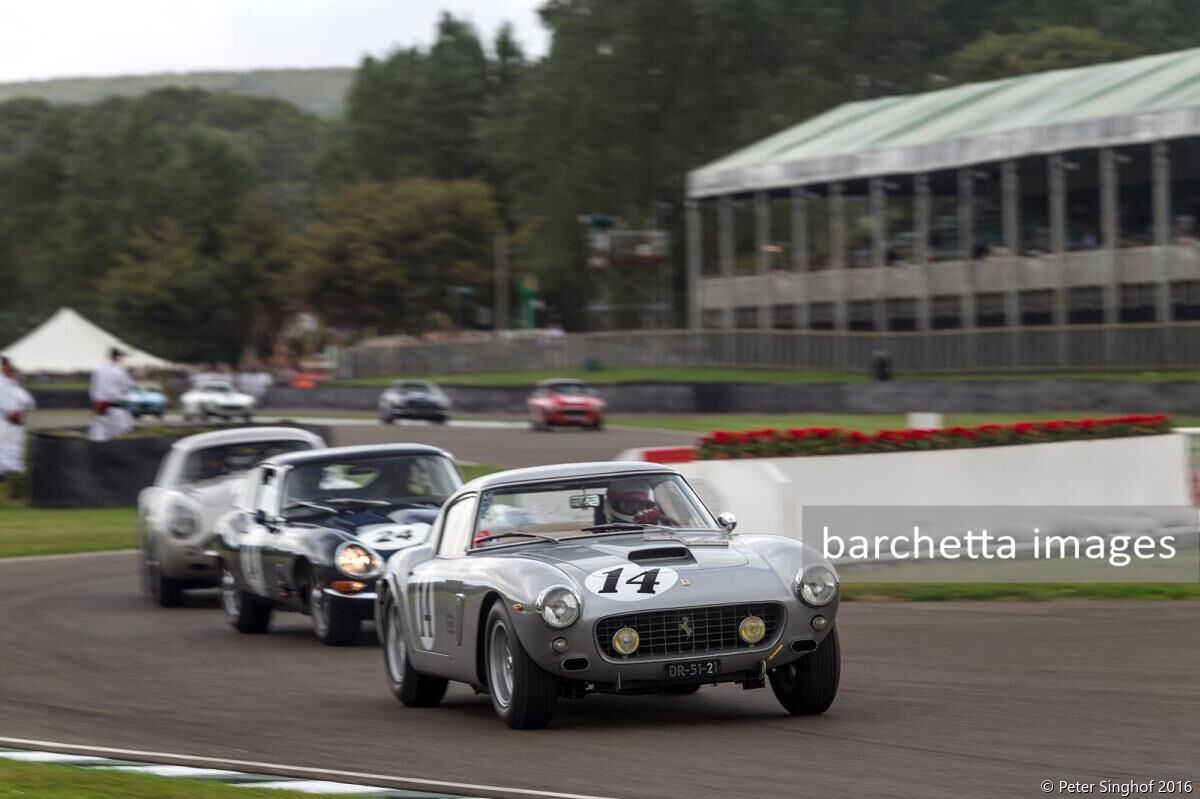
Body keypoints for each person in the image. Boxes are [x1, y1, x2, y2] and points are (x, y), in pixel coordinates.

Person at [0, 356, 36, 480]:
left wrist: (21, 413)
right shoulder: (2, 384)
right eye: (9, 368)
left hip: (14, 427)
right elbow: (9, 409)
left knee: (13, 450)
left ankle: (13, 476)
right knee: (5, 450)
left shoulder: (14, 386)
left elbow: (29, 402)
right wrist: (17, 416)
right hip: (6, 425)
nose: (13, 371)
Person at [89, 348, 135, 442]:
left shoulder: (98, 369)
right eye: (122, 357)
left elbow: (94, 387)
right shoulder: (120, 371)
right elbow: (127, 386)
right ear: (118, 357)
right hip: (115, 406)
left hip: (99, 404)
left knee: (99, 432)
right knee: (122, 429)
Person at [606, 478, 675, 526]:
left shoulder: (659, 522)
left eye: (641, 505)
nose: (636, 510)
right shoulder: (603, 530)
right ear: (615, 505)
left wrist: (654, 525)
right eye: (629, 506)